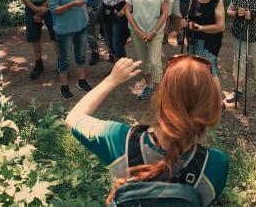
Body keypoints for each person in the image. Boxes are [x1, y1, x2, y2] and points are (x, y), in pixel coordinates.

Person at [66, 56, 229, 207]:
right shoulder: (216, 164)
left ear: (162, 100)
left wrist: (111, 80)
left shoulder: (119, 140)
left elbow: (73, 118)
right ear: (210, 107)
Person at [124, 0, 171, 100]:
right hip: (137, 31)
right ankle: (149, 85)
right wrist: (137, 30)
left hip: (155, 31)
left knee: (155, 62)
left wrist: (153, 31)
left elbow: (165, 13)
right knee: (144, 61)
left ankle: (159, 94)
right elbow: (127, 10)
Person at [49, 0, 92, 100]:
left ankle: (81, 81)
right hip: (64, 29)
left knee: (80, 55)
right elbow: (54, 9)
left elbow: (83, 0)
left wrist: (85, 16)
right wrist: (71, 5)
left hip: (80, 25)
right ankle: (64, 87)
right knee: (65, 59)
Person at [186, 0, 225, 80]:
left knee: (210, 71)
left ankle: (217, 97)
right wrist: (186, 22)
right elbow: (190, 16)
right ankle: (200, 96)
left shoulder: (217, 0)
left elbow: (221, 26)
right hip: (193, 40)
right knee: (195, 70)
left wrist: (201, 28)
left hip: (210, 42)